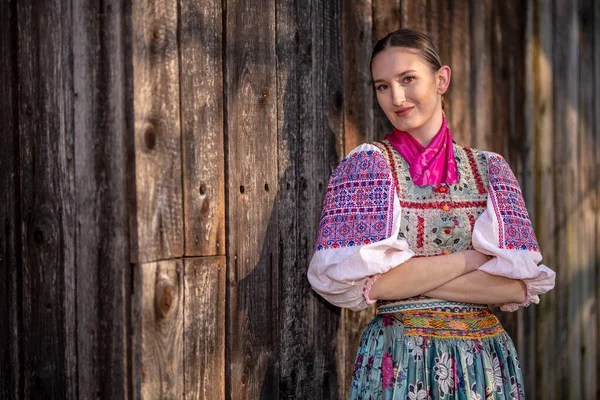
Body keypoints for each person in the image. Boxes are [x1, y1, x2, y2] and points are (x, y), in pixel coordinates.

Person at [307, 29, 555, 399]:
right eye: (382, 86)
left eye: (408, 79)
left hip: (483, 363)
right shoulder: (367, 167)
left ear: (442, 80)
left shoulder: (490, 171)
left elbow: (518, 286)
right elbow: (342, 281)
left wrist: (400, 278)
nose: (397, 97)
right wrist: (473, 258)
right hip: (400, 358)